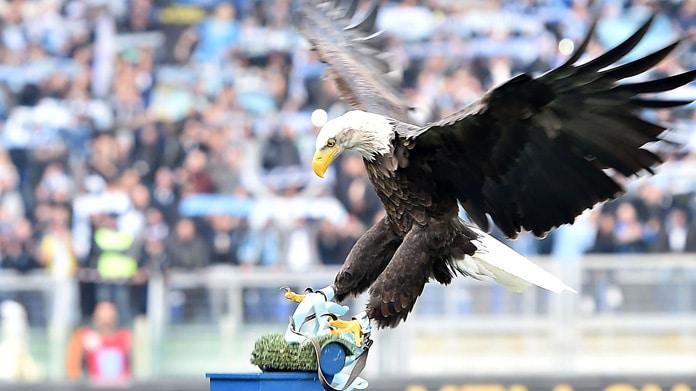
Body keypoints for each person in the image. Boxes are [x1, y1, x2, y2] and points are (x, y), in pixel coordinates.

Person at [66, 301, 132, 383]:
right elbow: (73, 368)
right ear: (95, 316)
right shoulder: (85, 336)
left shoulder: (124, 337)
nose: (106, 316)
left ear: (115, 317)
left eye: (110, 315)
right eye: (101, 313)